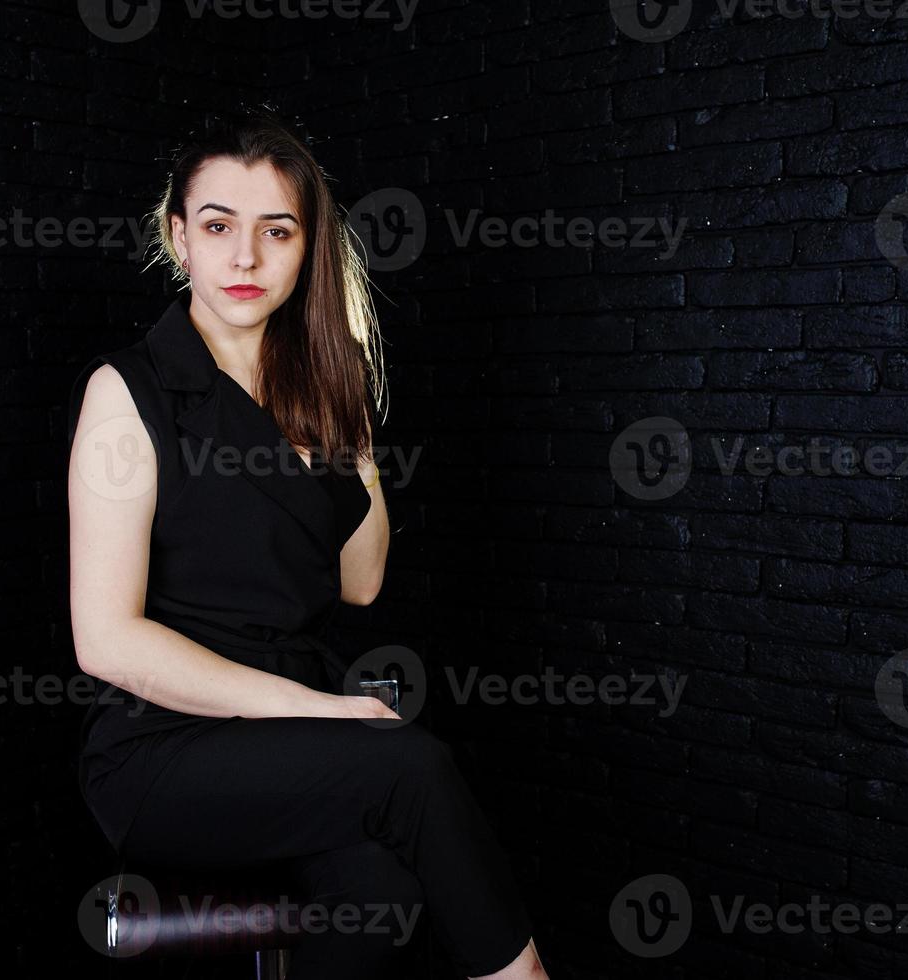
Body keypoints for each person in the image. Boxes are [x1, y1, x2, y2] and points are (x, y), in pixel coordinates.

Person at [64, 106, 549, 980]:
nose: (244, 258)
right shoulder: (127, 391)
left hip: (293, 742)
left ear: (306, 246)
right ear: (179, 239)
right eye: (217, 227)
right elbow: (105, 642)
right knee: (411, 768)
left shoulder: (323, 385)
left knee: (380, 890)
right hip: (161, 753)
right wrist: (321, 713)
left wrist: (348, 430)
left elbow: (360, 583)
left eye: (274, 231)